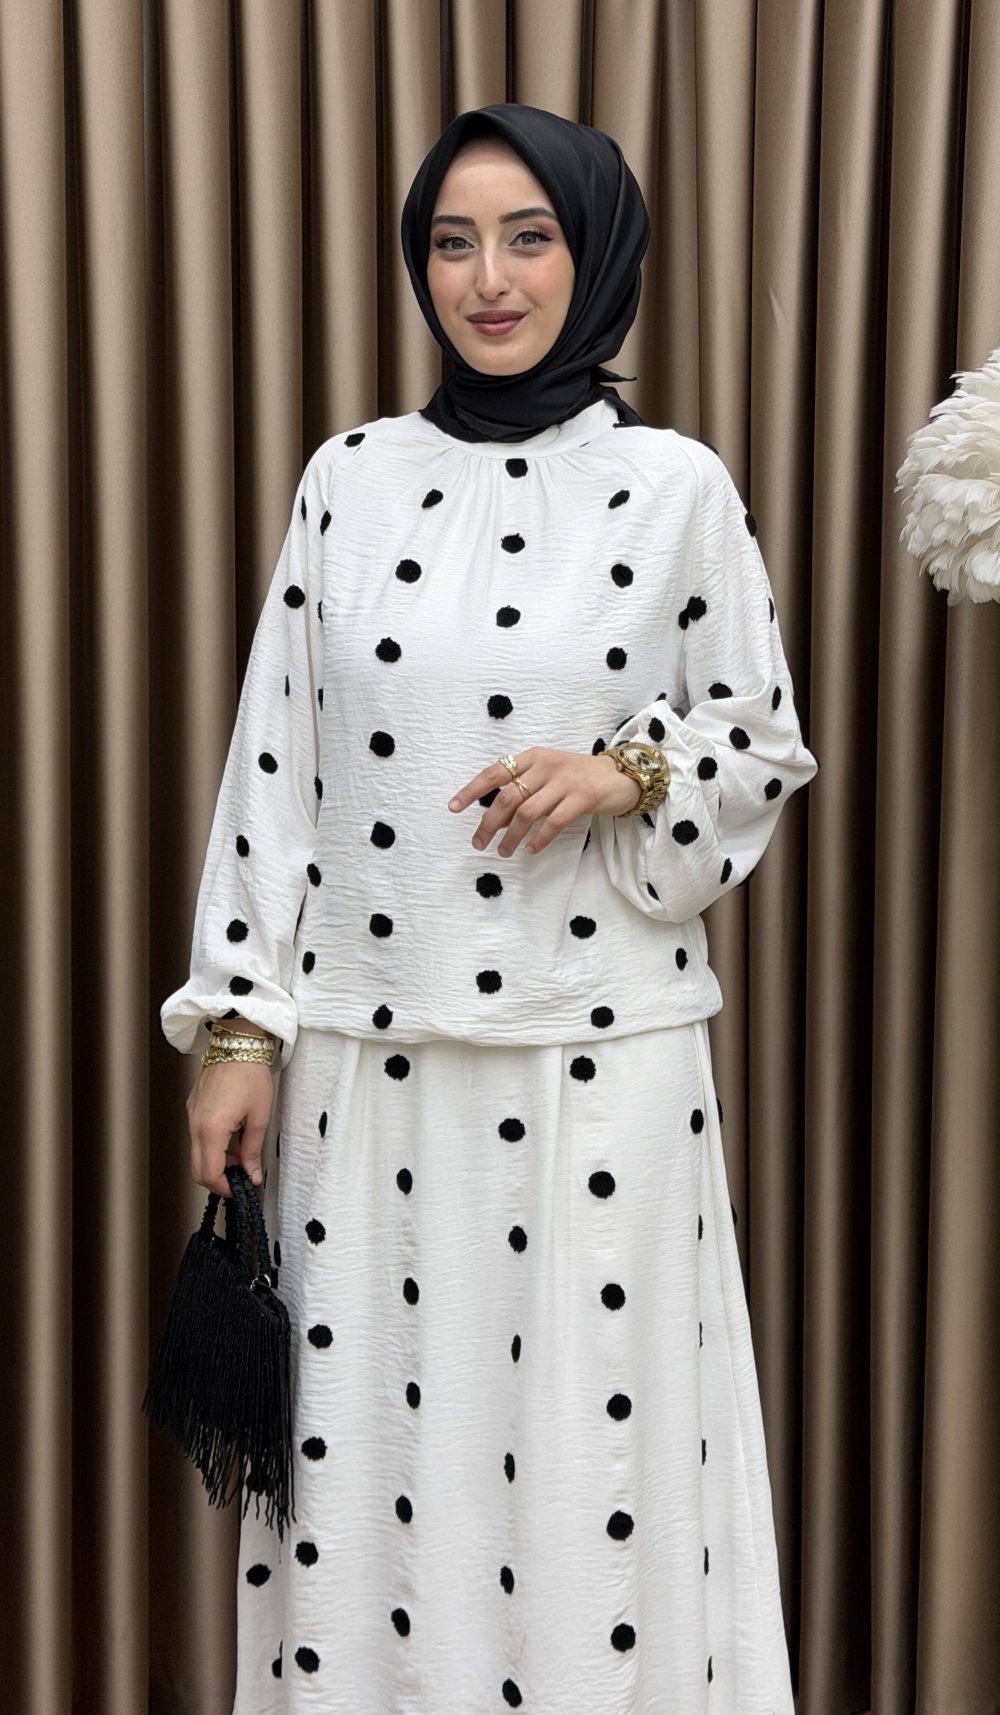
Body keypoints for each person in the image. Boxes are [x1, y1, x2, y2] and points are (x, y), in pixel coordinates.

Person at [161, 101, 816, 1714]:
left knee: (599, 1481)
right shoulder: (351, 480)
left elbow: (759, 743)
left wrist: (628, 772)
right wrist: (238, 1025)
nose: (489, 278)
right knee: (383, 1480)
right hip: (371, 1080)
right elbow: (277, 763)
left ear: (596, 255)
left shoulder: (674, 488)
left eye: (529, 238)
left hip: (605, 1075)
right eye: (453, 243)